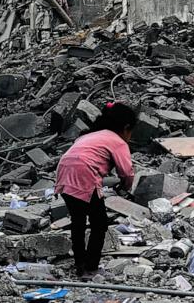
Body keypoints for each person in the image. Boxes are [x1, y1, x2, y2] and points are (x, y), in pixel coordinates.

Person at [54, 101, 136, 278]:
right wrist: (125, 188)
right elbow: (127, 172)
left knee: (78, 221)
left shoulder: (88, 136)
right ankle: (91, 266)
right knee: (99, 223)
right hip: (84, 173)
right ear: (126, 127)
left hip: (64, 171)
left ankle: (79, 263)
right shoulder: (118, 141)